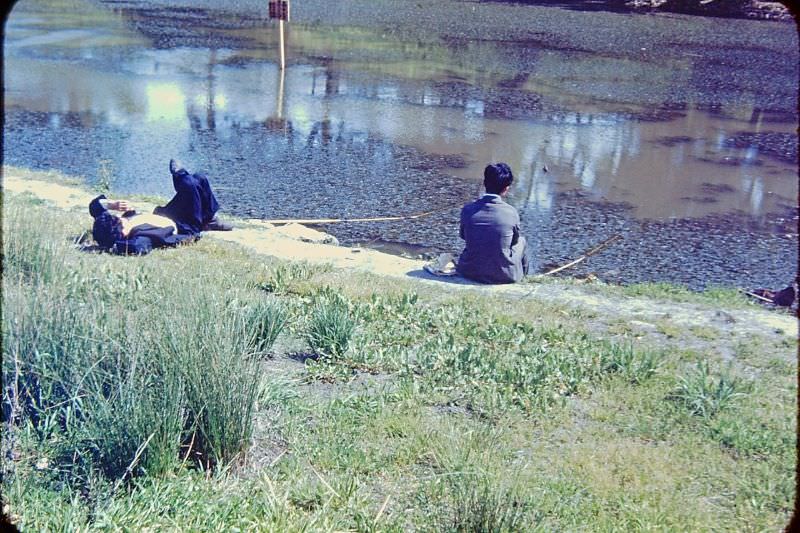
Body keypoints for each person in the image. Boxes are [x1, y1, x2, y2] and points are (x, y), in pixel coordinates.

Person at [90, 159, 232, 254]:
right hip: (186, 226)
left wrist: (112, 204)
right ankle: (180, 175)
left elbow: (94, 207)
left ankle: (210, 218)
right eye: (121, 221)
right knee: (192, 183)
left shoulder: (113, 224)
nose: (123, 218)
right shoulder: (140, 237)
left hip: (167, 214)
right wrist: (113, 246)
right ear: (122, 233)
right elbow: (138, 248)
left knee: (199, 179)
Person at [456, 162, 529, 284]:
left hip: (469, 271)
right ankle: (524, 277)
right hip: (504, 276)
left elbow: (464, 236)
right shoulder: (511, 212)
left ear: (484, 184)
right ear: (506, 189)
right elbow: (514, 242)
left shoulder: (467, 210)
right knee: (522, 241)